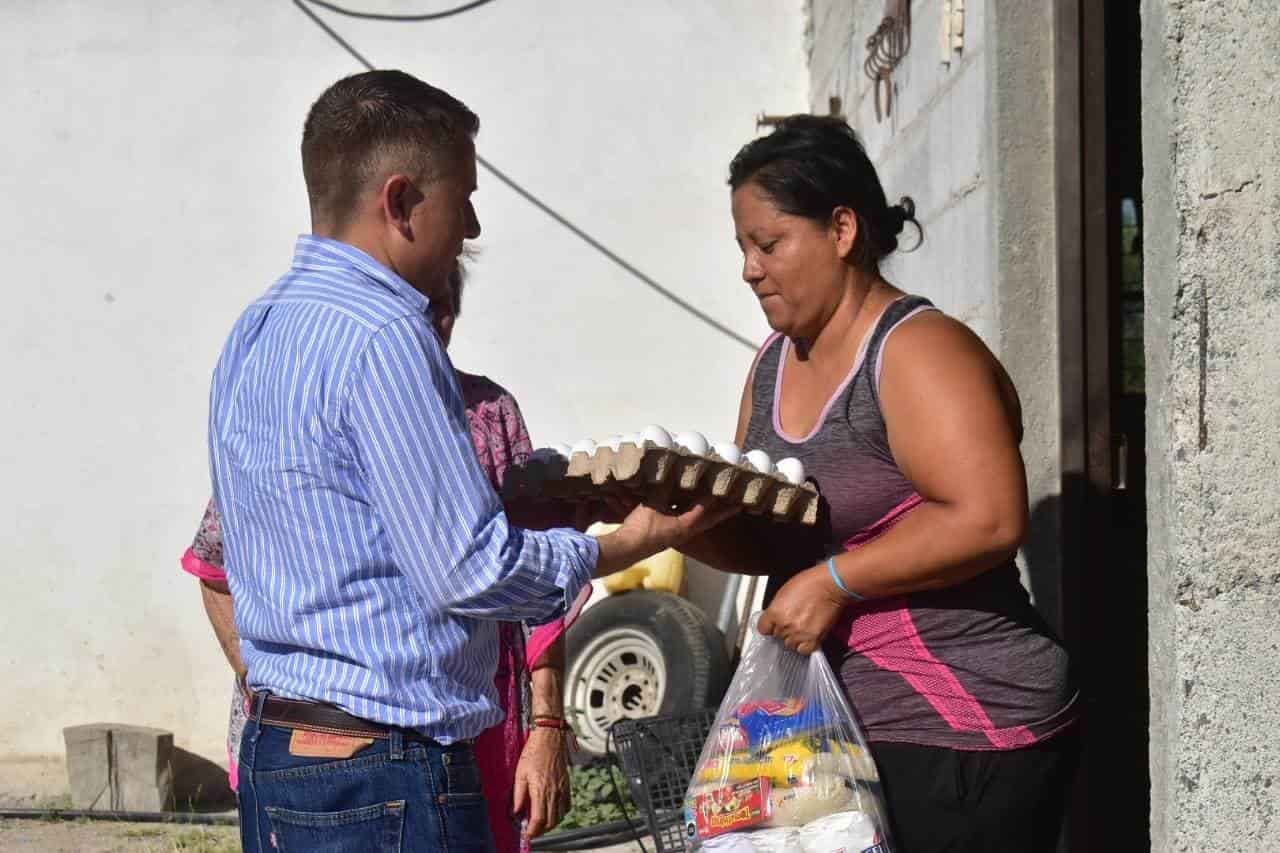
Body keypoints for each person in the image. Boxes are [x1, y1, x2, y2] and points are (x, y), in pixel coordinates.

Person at [208, 70, 730, 853]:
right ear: (400, 200)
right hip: (385, 768)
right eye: (464, 195)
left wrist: (548, 499)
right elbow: (469, 569)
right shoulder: (384, 333)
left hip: (283, 756)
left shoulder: (256, 330)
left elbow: (349, 531)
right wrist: (633, 538)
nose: (472, 225)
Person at [683, 115, 1079, 852]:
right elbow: (771, 537)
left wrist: (834, 580)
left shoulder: (917, 351)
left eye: (768, 244)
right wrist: (679, 522)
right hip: (821, 728)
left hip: (962, 724)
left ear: (840, 229)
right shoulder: (773, 364)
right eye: (742, 247)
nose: (749, 269)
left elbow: (988, 517)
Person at [180, 263, 584, 848]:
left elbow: (531, 574)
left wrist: (546, 726)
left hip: (471, 713)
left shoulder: (487, 414)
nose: (434, 321)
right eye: (422, 306)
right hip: (349, 740)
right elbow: (216, 566)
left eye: (445, 306)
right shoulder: (314, 396)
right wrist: (274, 683)